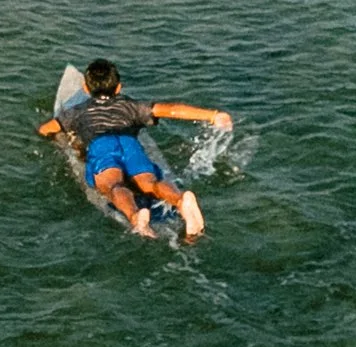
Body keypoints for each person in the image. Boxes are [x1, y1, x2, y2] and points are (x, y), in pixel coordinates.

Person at [40, 58, 233, 237]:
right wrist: (213, 115)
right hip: (129, 143)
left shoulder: (77, 112)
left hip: (101, 146)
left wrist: (68, 143)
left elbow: (46, 130)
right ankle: (181, 201)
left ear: (85, 88)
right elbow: (171, 109)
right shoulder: (132, 106)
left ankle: (136, 217)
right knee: (149, 184)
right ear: (118, 88)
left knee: (113, 186)